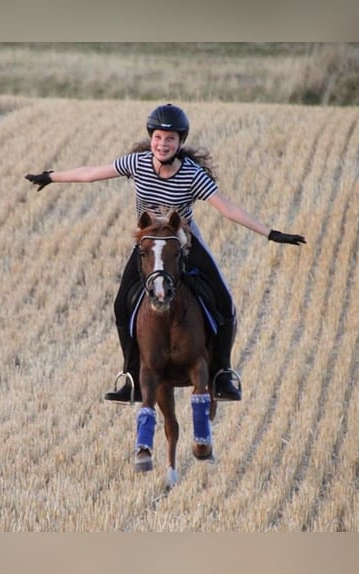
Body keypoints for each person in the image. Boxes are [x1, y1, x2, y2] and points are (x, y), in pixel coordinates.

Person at [26, 103, 305, 404]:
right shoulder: (136, 163)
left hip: (183, 243)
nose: (163, 144)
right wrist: (51, 176)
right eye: (158, 137)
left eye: (170, 139)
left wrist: (271, 233)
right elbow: (92, 173)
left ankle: (222, 372)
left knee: (223, 300)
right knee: (122, 304)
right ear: (151, 138)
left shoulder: (192, 175)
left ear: (180, 142)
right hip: (148, 245)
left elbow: (228, 209)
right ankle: (130, 376)